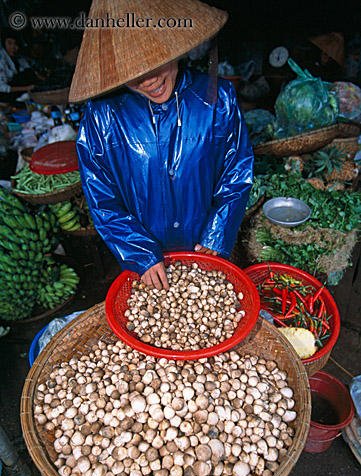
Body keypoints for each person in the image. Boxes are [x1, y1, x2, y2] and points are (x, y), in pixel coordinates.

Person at [72, 0, 254, 290]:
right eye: (133, 73)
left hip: (206, 251)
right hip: (147, 267)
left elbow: (236, 174)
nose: (149, 80)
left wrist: (216, 235)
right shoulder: (103, 114)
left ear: (176, 49)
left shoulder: (217, 97)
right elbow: (101, 197)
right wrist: (139, 252)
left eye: (157, 62)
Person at [0, 29, 37, 101]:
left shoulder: (17, 57)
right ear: (4, 43)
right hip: (3, 94)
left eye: (15, 44)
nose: (13, 47)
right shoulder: (1, 59)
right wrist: (27, 88)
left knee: (29, 73)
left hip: (15, 90)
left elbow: (27, 70)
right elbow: (2, 87)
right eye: (9, 43)